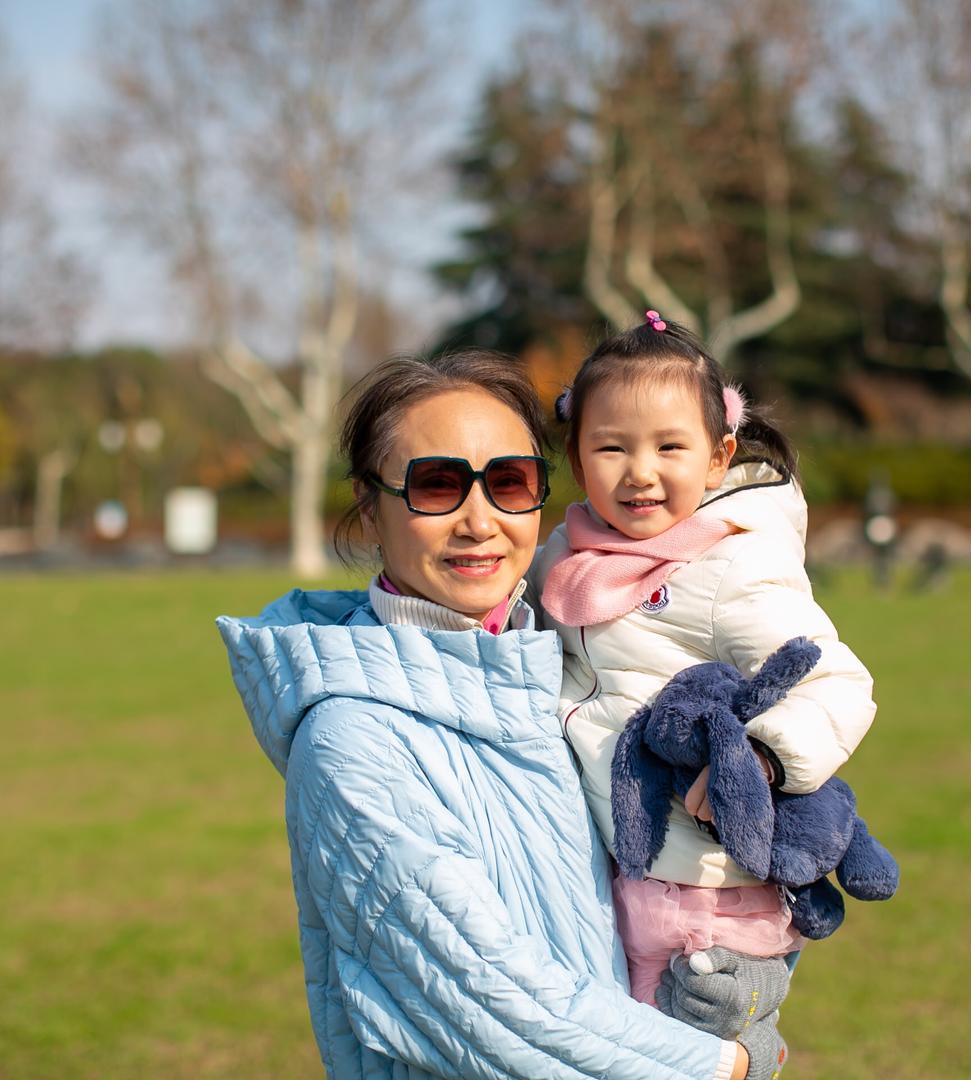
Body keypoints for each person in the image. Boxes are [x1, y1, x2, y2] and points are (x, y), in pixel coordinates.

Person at [218, 350, 779, 1080]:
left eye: (510, 482)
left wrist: (737, 975)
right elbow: (497, 1007)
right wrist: (725, 1065)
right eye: (438, 485)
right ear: (370, 502)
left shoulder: (566, 663)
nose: (480, 521)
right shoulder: (352, 743)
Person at [532, 314, 879, 1059]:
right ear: (575, 453)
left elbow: (839, 682)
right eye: (611, 447)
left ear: (719, 456)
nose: (640, 472)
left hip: (713, 899)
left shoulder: (730, 567)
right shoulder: (564, 559)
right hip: (622, 881)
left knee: (675, 1058)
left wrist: (761, 758)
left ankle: (756, 1032)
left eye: (669, 447)